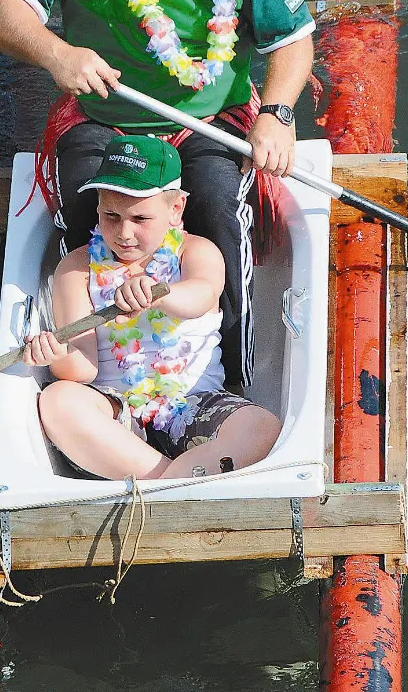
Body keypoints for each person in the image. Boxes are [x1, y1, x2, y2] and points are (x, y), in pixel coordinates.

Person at [0, 0, 314, 389]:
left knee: (217, 214)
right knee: (92, 220)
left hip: (208, 117)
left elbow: (291, 39)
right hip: (105, 116)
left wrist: (277, 113)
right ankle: (98, 375)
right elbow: (3, 12)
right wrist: (58, 54)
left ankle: (231, 380)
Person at [23, 136, 279, 480]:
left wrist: (160, 294)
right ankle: (169, 481)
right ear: (97, 206)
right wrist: (54, 352)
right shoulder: (76, 267)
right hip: (115, 413)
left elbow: (202, 295)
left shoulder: (196, 251)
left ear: (176, 211)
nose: (124, 232)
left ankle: (166, 484)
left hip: (195, 401)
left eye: (140, 218)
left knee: (261, 427)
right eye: (111, 215)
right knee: (57, 401)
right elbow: (80, 370)